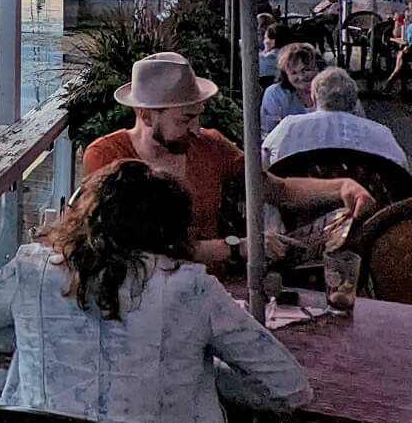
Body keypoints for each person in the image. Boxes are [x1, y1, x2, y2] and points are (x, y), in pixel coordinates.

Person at [0, 160, 310, 423]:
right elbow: (291, 387)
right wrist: (202, 371)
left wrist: (38, 338)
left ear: (83, 219)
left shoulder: (33, 273)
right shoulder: (193, 289)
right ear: (175, 230)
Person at [82, 52, 375, 272]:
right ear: (146, 116)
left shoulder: (209, 145)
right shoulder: (107, 157)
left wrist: (342, 187)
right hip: (140, 297)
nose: (197, 128)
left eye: (198, 115)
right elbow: (138, 249)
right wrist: (235, 249)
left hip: (214, 290)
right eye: (186, 119)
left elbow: (277, 190)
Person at [263, 67, 408, 169]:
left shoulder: (289, 127)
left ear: (314, 97)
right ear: (354, 100)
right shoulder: (381, 134)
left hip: (300, 208)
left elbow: (264, 163)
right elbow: (402, 173)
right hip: (366, 209)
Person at [260, 42, 322, 137]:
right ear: (285, 74)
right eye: (294, 73)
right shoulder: (275, 94)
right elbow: (270, 133)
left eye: (307, 70)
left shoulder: (331, 90)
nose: (301, 77)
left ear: (319, 68)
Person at [383, 0, 412, 93]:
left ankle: (392, 80)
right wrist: (399, 22)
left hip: (407, 47)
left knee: (403, 56)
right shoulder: (402, 18)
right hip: (405, 47)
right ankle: (396, 81)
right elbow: (396, 34)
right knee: (403, 55)